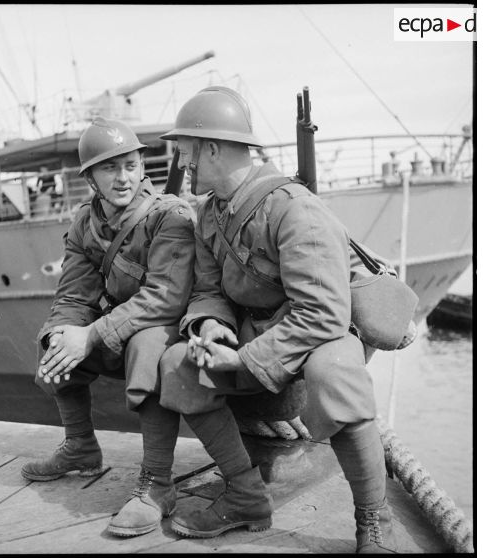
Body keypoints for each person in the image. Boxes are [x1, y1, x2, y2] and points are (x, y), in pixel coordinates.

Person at [158, 86, 398, 553]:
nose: (182, 164)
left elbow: (324, 315)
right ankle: (246, 497)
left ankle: (375, 519)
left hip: (316, 342)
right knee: (177, 368)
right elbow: (209, 290)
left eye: (187, 151)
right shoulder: (210, 215)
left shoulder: (295, 209)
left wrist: (242, 359)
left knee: (334, 374)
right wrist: (212, 330)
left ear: (212, 149)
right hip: (261, 343)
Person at [21, 117, 196, 538]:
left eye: (131, 166)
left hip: (168, 336)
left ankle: (157, 484)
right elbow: (75, 293)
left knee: (148, 347)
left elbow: (165, 299)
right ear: (91, 178)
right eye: (110, 168)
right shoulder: (87, 221)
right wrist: (63, 332)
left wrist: (93, 335)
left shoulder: (166, 216)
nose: (123, 178)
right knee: (57, 337)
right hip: (120, 329)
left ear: (142, 166)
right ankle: (80, 447)